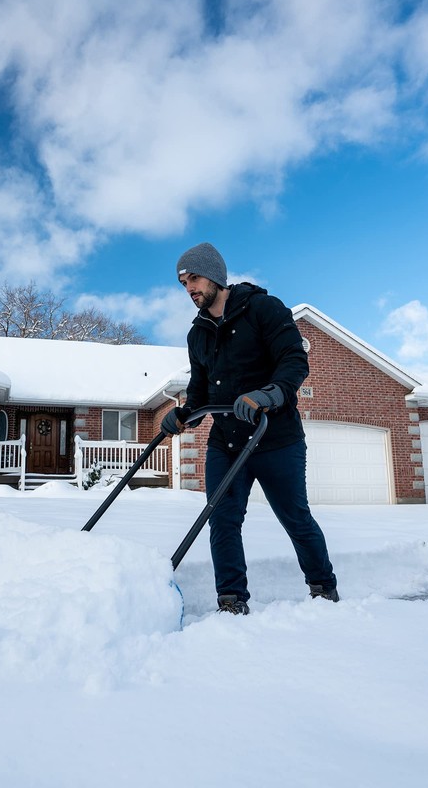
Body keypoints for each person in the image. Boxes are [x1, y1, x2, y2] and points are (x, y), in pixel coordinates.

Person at [161, 242, 338, 614]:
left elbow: (293, 360)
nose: (189, 288)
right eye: (184, 283)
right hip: (226, 442)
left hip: (276, 438)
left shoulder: (263, 309)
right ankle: (231, 599)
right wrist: (184, 414)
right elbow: (199, 390)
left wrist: (270, 393)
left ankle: (323, 588)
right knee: (222, 519)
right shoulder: (197, 334)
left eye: (194, 278)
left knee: (295, 517)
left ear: (215, 275)